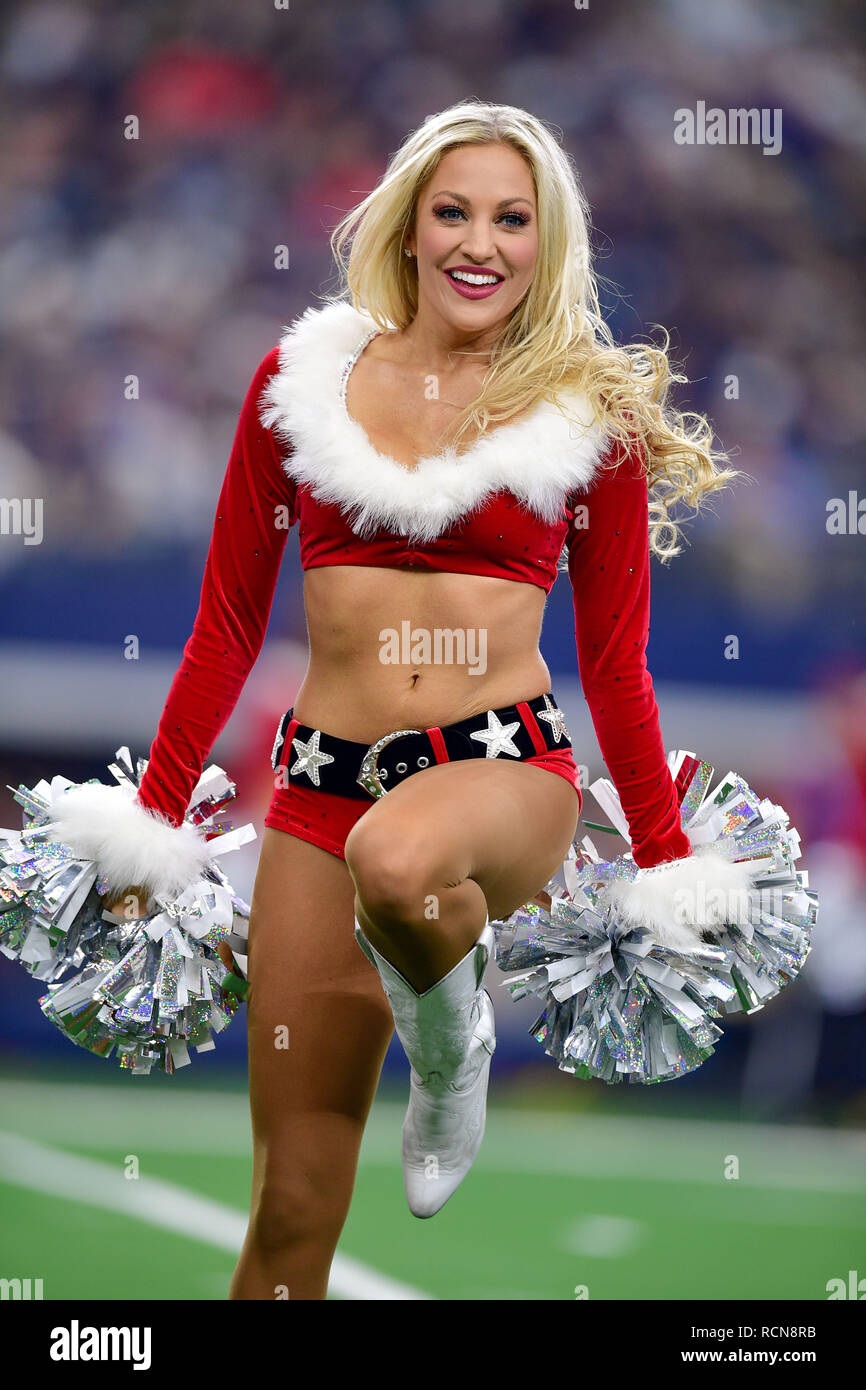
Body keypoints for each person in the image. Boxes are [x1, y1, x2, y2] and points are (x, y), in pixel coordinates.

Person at [60, 100, 743, 1299]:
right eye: (453, 211)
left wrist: (665, 857)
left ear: (547, 242)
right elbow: (224, 624)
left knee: (400, 856)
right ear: (410, 228)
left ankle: (451, 1047)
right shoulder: (299, 381)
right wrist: (157, 823)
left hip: (501, 775)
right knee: (285, 1217)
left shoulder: (590, 411)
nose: (480, 242)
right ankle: (443, 1016)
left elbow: (617, 661)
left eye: (511, 218)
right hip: (316, 800)